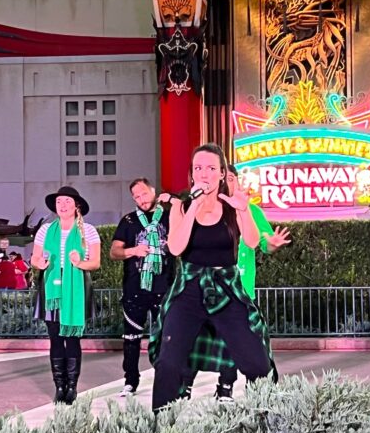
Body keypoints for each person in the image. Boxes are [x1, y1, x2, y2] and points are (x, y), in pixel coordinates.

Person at [149, 143, 274, 412]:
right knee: (168, 362)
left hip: (226, 287)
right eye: (198, 168)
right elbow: (176, 248)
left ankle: (269, 418)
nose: (204, 173)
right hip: (189, 288)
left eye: (210, 168)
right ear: (192, 173)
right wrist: (192, 207)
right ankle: (161, 423)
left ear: (221, 173)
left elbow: (252, 241)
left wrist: (244, 210)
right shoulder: (182, 207)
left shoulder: (233, 205)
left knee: (258, 363)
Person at [194, 164, 290, 402]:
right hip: (216, 292)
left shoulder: (252, 211)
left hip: (244, 292)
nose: (227, 182)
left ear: (236, 181)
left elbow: (265, 242)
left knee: (256, 341)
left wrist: (273, 243)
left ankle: (260, 390)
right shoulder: (208, 210)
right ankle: (224, 386)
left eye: (231, 178)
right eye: (223, 178)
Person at [31, 185, 102, 404]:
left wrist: (79, 262)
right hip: (51, 286)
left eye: (67, 201)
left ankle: (72, 387)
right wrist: (40, 263)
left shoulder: (88, 230)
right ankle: (59, 386)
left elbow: (95, 262)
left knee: (71, 339)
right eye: (59, 201)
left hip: (76, 286)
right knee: (55, 338)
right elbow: (34, 258)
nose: (62, 205)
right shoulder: (45, 230)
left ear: (76, 205)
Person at [110, 178, 174, 397]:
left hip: (164, 287)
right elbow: (114, 251)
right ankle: (130, 381)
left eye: (144, 194)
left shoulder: (170, 216)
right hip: (134, 288)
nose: (141, 199)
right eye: (136, 197)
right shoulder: (128, 221)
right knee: (131, 339)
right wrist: (133, 251)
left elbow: (183, 243)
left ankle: (165, 379)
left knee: (166, 338)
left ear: (153, 191)